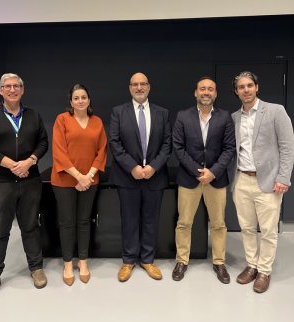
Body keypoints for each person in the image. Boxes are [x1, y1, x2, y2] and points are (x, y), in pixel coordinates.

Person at [0, 73, 48, 303]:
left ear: (22, 90)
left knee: (30, 227)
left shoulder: (33, 116)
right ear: (0, 90)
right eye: (7, 86)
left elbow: (43, 142)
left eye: (16, 86)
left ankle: (36, 268)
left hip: (30, 181)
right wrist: (10, 164)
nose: (12, 90)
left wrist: (30, 161)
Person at [230, 71, 294, 293]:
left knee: (267, 230)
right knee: (247, 228)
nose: (246, 90)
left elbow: (287, 146)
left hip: (268, 182)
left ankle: (264, 271)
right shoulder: (234, 117)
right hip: (241, 180)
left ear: (257, 87)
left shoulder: (276, 111)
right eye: (241, 87)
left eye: (249, 85)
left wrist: (283, 177)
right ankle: (251, 265)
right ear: (236, 91)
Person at [109, 72, 172, 282]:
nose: (139, 88)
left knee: (151, 220)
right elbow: (115, 143)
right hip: (128, 177)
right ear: (129, 88)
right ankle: (128, 260)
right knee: (129, 220)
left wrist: (153, 167)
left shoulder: (162, 113)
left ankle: (147, 260)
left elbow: (167, 144)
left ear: (149, 87)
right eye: (135, 84)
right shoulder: (118, 112)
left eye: (142, 84)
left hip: (155, 176)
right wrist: (132, 167)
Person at [172, 77, 235, 283]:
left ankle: (219, 262)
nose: (206, 92)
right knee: (184, 223)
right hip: (190, 178)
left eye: (210, 89)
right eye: (202, 89)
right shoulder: (183, 116)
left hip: (216, 180)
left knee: (218, 224)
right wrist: (198, 171)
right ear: (196, 93)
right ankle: (181, 261)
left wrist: (213, 172)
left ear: (215, 94)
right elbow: (178, 148)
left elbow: (229, 149)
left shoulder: (225, 117)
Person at [51, 84, 107, 286]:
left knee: (84, 221)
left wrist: (88, 176)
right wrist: (78, 177)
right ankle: (68, 263)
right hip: (65, 181)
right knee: (67, 222)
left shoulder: (97, 122)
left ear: (89, 100)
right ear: (71, 102)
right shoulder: (62, 120)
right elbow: (59, 152)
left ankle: (83, 262)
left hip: (89, 180)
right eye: (76, 98)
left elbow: (102, 152)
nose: (80, 101)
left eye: (84, 97)